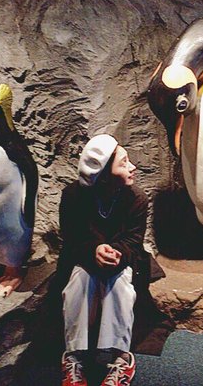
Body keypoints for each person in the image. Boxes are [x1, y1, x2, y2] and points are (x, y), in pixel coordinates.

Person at [57, 134, 150, 386]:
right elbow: (72, 237)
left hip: (124, 258)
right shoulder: (72, 196)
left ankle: (121, 357)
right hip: (83, 257)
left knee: (119, 286)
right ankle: (74, 356)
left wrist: (116, 253)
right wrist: (94, 251)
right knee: (79, 283)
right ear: (105, 175)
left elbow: (134, 240)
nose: (132, 167)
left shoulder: (137, 198)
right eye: (124, 163)